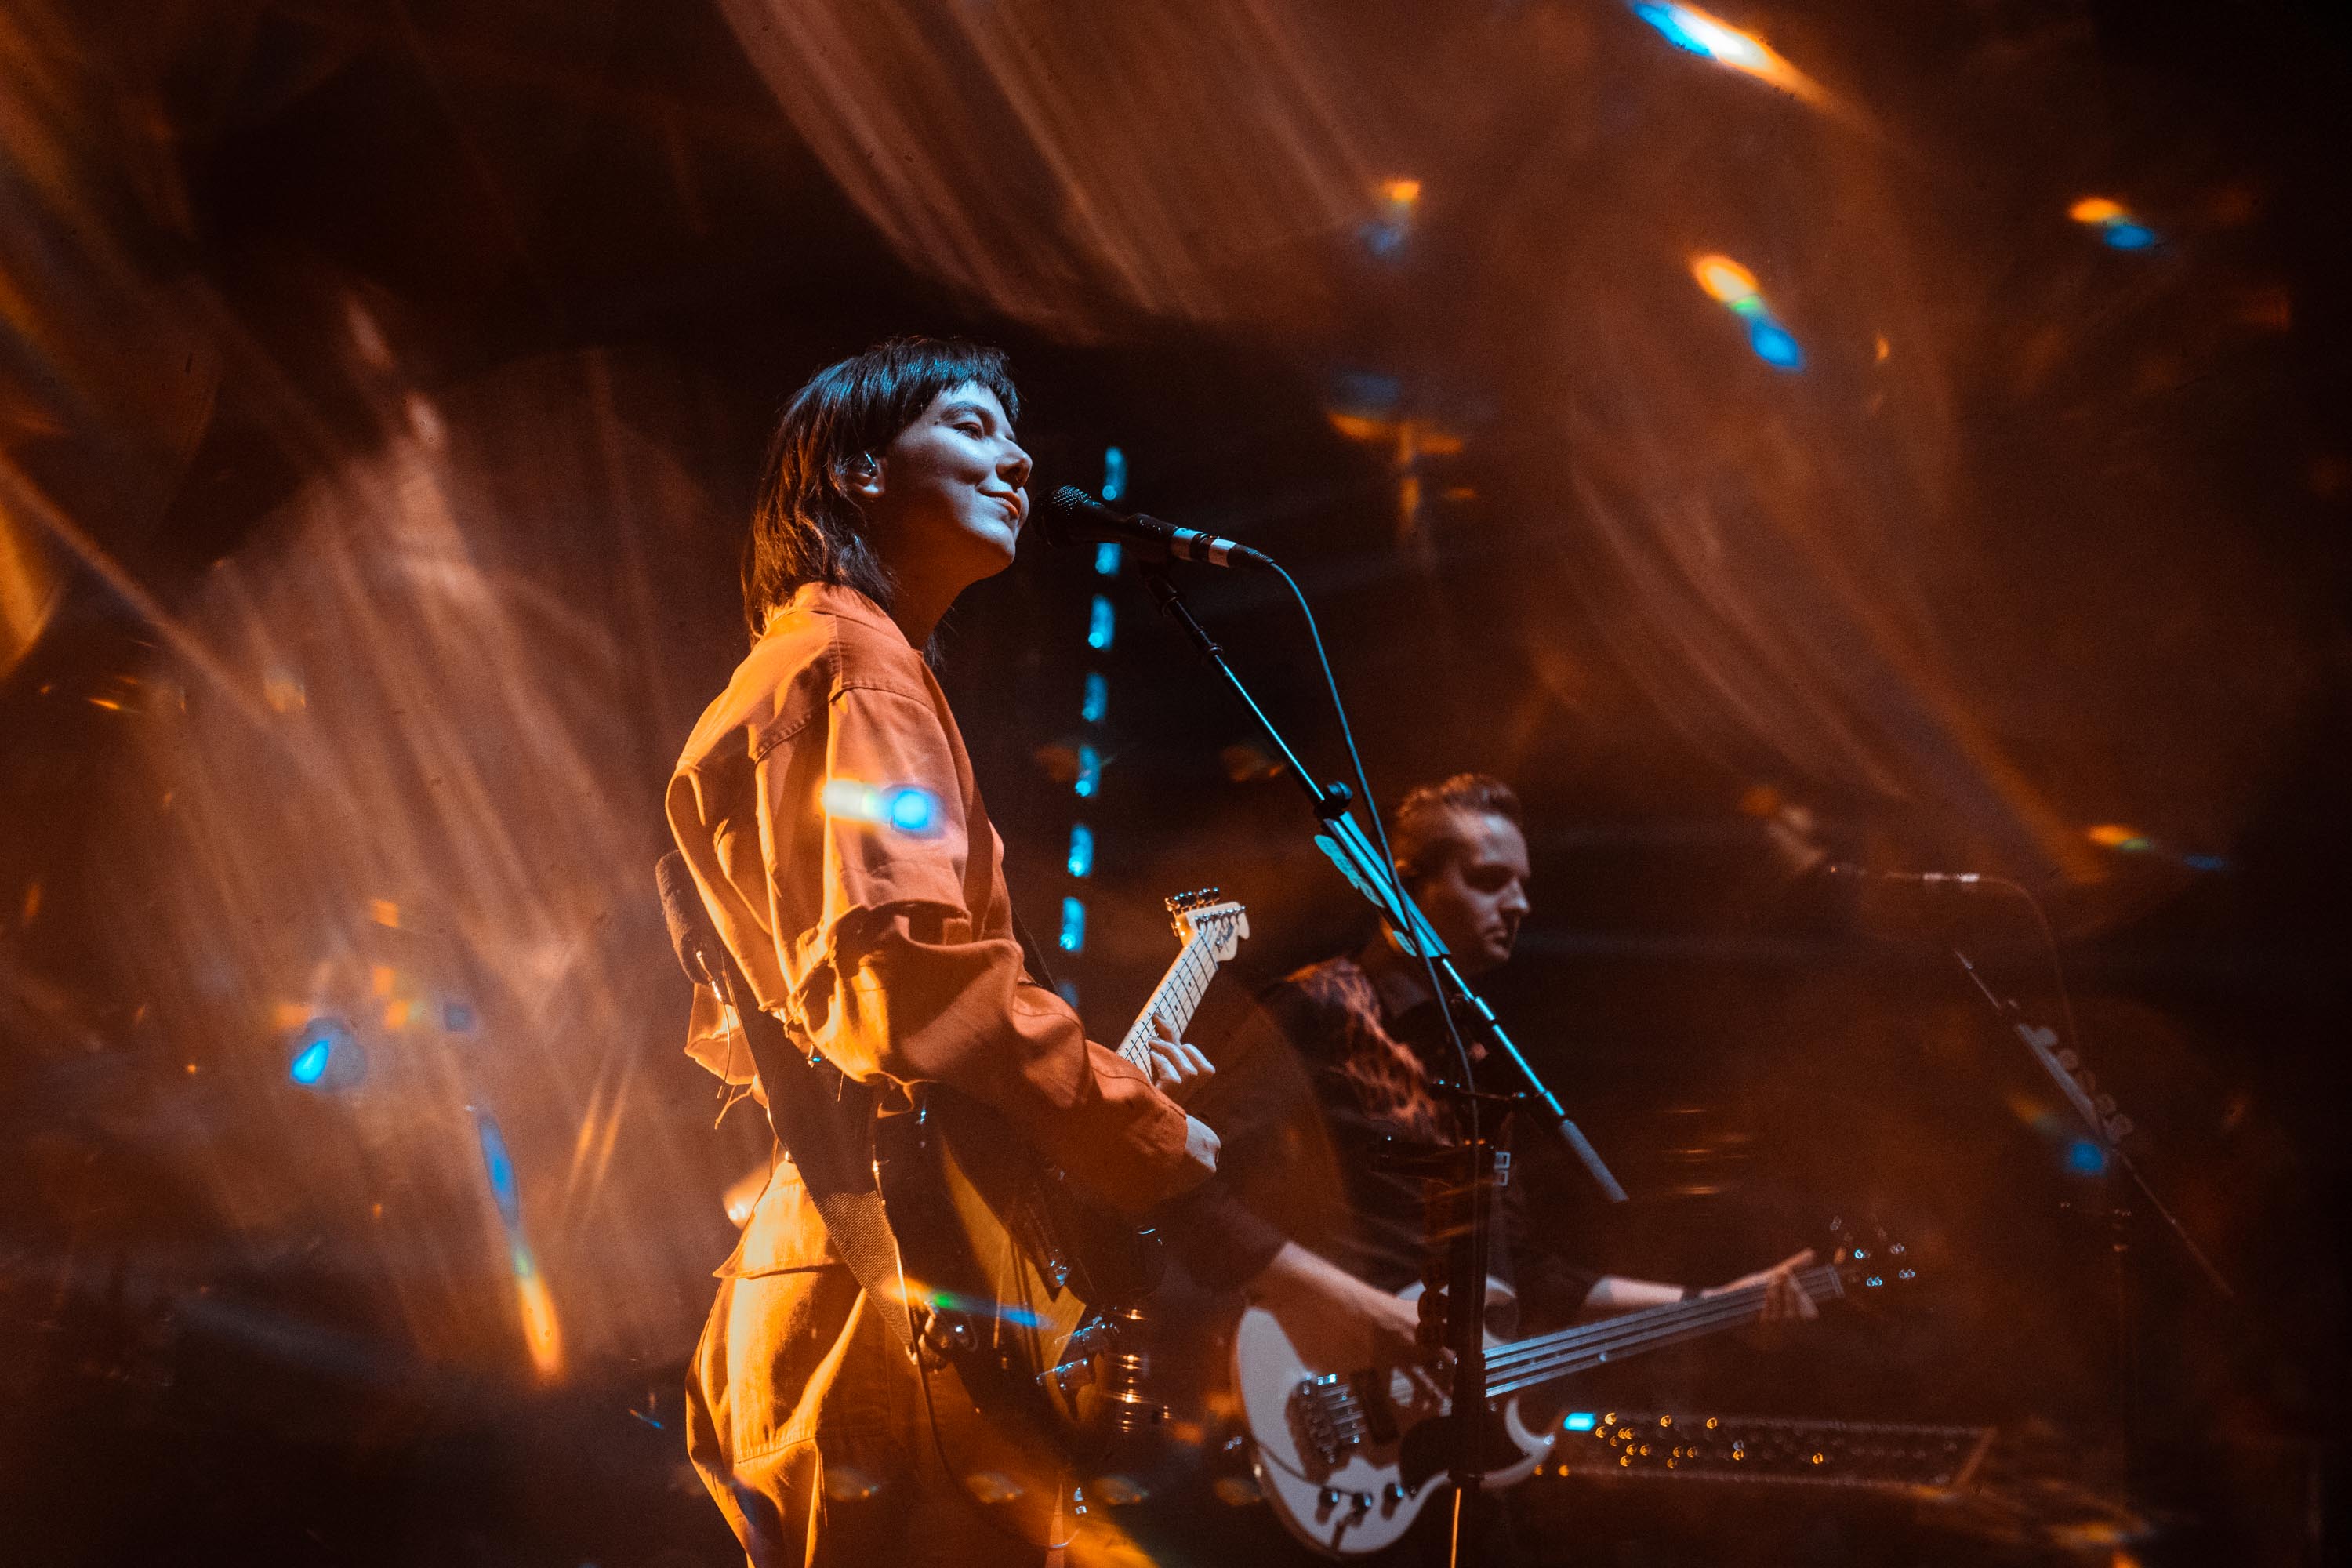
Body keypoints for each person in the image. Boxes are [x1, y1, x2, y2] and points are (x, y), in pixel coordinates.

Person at [665, 338, 1218, 1568]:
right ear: (856, 469)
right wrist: (1134, 1120)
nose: (1018, 457)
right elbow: (902, 989)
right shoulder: (859, 666)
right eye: (972, 426)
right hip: (894, 1300)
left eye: (1014, 434)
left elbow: (810, 1017)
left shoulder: (799, 668)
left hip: (824, 1275)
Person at [1161, 774, 1813, 1557]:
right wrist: (1372, 1312)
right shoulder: (1318, 1009)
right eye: (1489, 878)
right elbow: (1185, 1193)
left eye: (1524, 884)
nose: (1521, 903)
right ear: (1405, 884)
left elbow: (1533, 1277)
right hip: (1310, 1399)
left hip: (1426, 1458)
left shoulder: (1477, 1057)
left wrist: (1723, 1299)